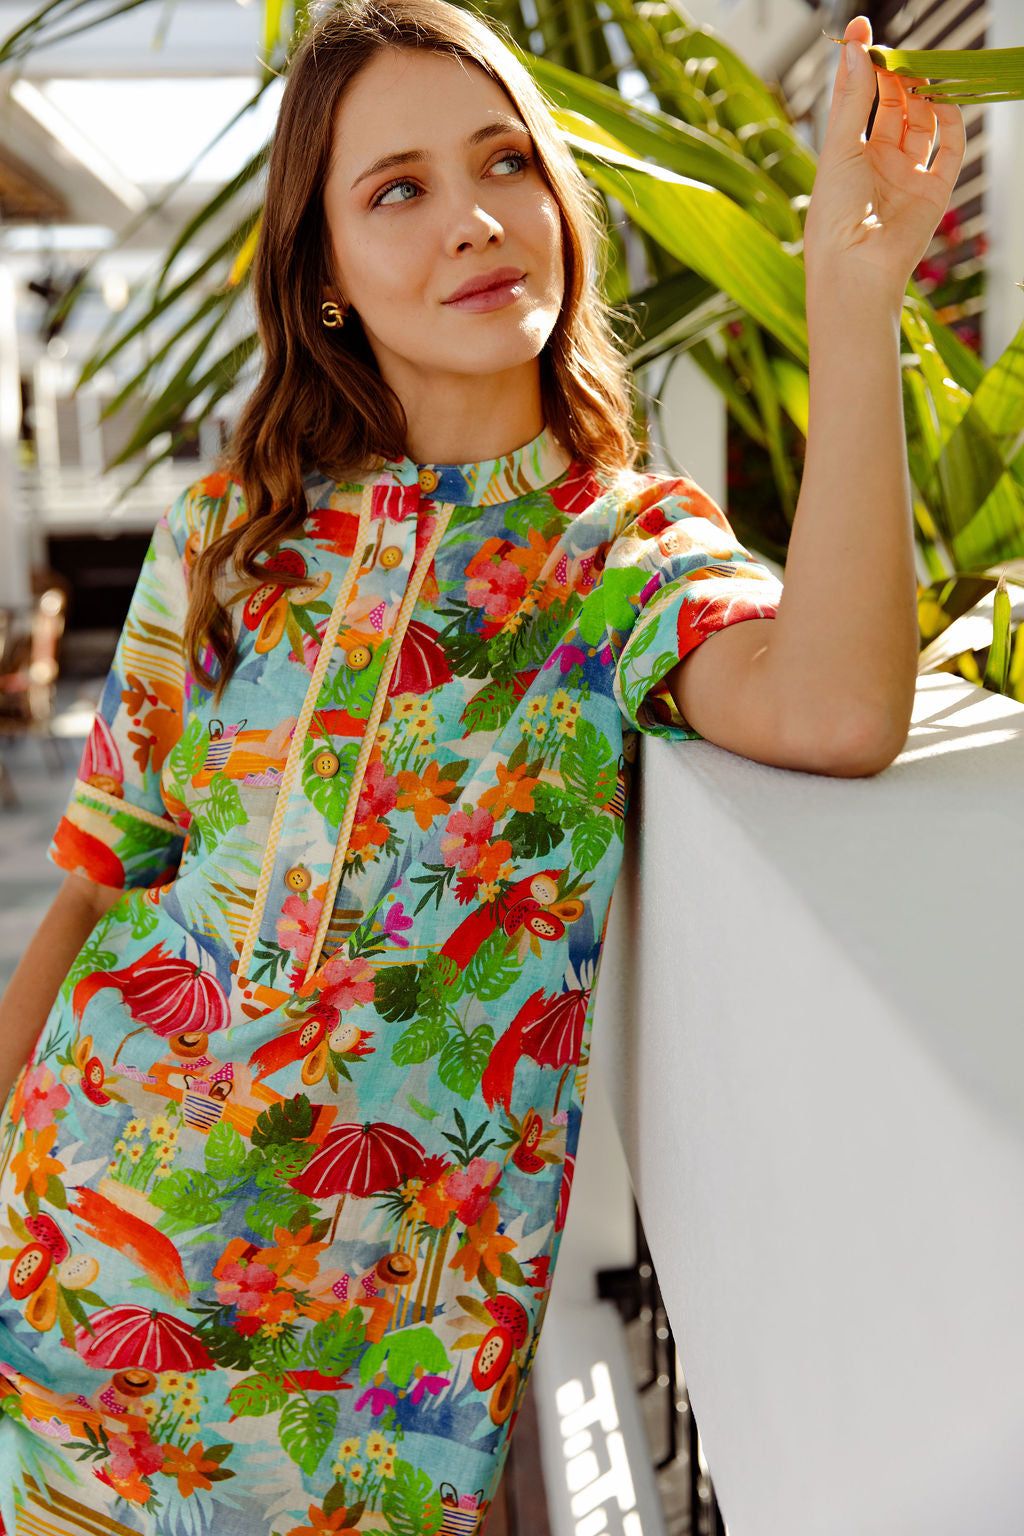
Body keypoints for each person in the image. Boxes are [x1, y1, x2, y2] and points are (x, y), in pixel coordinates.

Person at [0, 2, 964, 1532]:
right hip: (71, 1263)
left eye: (506, 161)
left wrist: (852, 298)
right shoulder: (229, 539)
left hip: (364, 1375)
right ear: (322, 276)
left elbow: (839, 711)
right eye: (399, 189)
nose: (475, 218)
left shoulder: (627, 554)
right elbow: (99, 886)